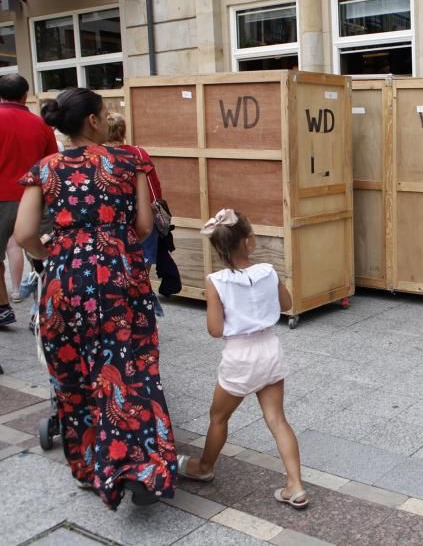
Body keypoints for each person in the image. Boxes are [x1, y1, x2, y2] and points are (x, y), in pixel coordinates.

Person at [14, 87, 175, 508]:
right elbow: (143, 225)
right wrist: (113, 243)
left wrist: (58, 254)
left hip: (63, 282)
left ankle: (89, 468)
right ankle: (137, 468)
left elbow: (24, 234)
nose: (107, 119)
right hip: (119, 278)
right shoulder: (128, 160)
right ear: (93, 121)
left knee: (74, 378)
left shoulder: (44, 169)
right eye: (105, 113)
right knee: (131, 369)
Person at [177, 209, 308, 509]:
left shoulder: (215, 281)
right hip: (270, 350)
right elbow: (286, 303)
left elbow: (215, 329)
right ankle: (295, 485)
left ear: (218, 248)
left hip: (239, 357)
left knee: (219, 417)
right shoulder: (268, 271)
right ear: (249, 242)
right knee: (277, 419)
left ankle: (204, 467)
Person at [0, 74, 59, 327]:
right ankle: (44, 308)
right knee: (45, 254)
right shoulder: (41, 125)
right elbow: (54, 165)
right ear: (26, 95)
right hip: (36, 199)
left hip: (1, 199)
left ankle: (2, 306)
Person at [105, 113, 170, 316]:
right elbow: (155, 184)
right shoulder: (139, 153)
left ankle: (122, 301)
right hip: (145, 212)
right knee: (144, 256)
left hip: (116, 216)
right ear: (124, 130)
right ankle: (141, 295)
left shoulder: (101, 156)